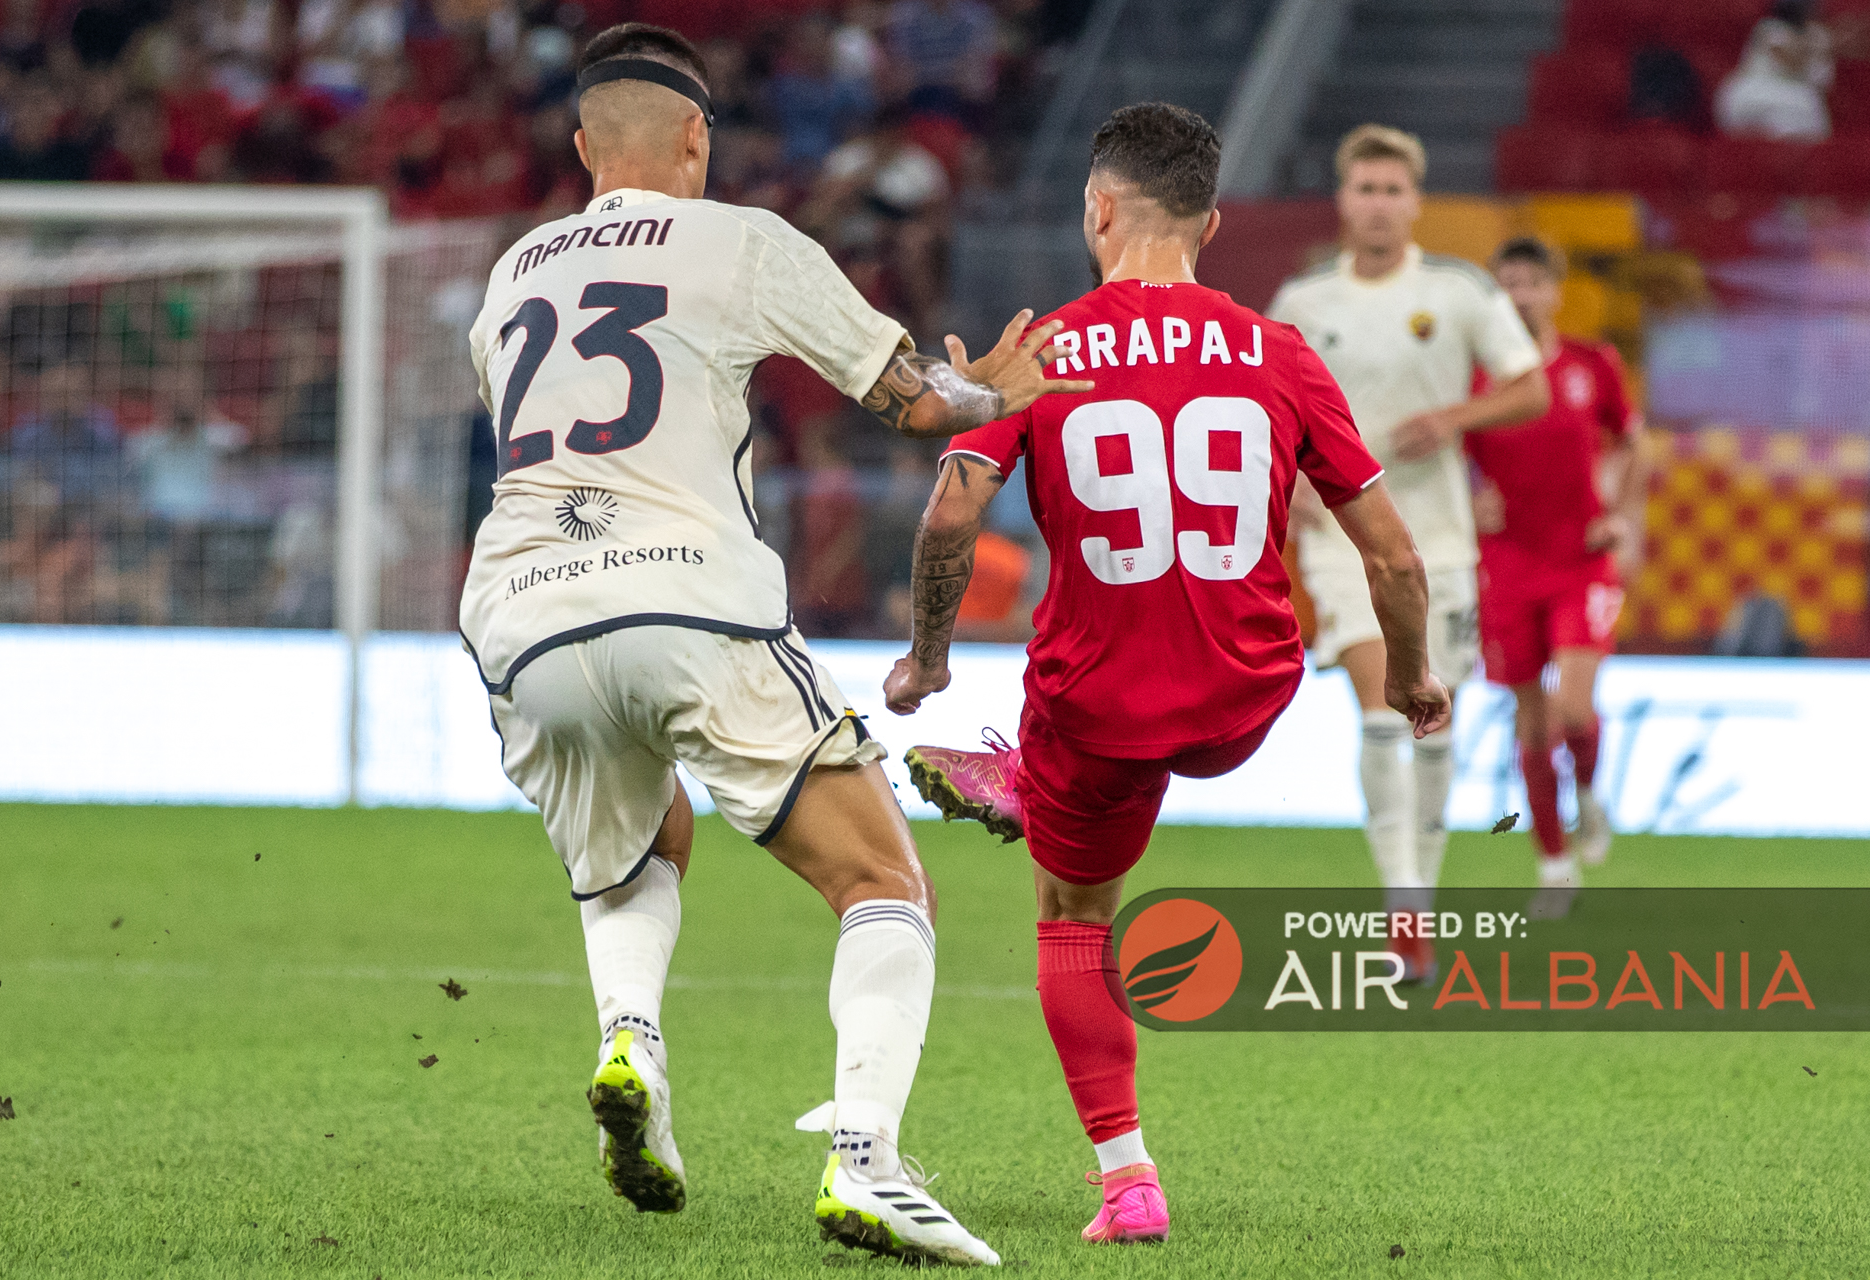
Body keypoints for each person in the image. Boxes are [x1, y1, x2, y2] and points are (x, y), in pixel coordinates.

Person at [459, 21, 1088, 1266]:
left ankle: (632, 1042)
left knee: (637, 845)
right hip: (686, 595)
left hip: (521, 613)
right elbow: (919, 401)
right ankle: (867, 1160)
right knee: (884, 880)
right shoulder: (741, 240)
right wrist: (998, 390)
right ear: (697, 137)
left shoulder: (511, 273)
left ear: (584, 148)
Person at [882, 103, 1451, 1245]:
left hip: (1102, 704)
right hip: (1246, 689)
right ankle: (1033, 779)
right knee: (1151, 731)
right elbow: (1393, 555)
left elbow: (949, 514)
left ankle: (1128, 1178)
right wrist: (1410, 680)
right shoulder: (1280, 349)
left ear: (1098, 208)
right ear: (1212, 224)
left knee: (1073, 913)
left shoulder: (1046, 354)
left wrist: (927, 659)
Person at [1266, 124, 1548, 979]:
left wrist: (1453, 420)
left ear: (1415, 201)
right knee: (1382, 710)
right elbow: (1261, 410)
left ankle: (1420, 888)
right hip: (1343, 539)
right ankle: (1403, 907)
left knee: (1432, 719)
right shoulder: (1302, 302)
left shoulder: (1458, 291)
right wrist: (1291, 479)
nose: (1380, 204)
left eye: (1393, 190)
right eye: (1366, 189)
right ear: (1343, 200)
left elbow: (1529, 386)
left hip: (1441, 542)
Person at [1472, 237, 1645, 912]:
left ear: (1555, 291)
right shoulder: (1474, 377)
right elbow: (1443, 454)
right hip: (1506, 564)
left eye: (1532, 282)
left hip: (1581, 559)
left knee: (1572, 708)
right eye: (1508, 283)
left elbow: (1631, 441)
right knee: (1532, 720)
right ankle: (1553, 865)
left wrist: (1621, 512)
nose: (1520, 295)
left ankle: (1591, 794)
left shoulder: (1591, 364)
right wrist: (1470, 498)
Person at [1715, 0, 1865, 142]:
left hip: (1796, 101)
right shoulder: (1770, 28)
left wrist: (1832, 45)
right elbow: (1790, 61)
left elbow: (1821, 86)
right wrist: (1827, 45)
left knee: (1810, 107)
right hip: (1755, 95)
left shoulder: (1820, 36)